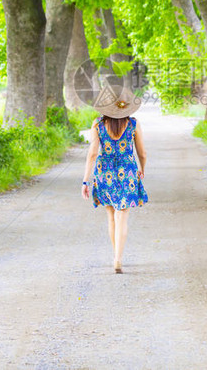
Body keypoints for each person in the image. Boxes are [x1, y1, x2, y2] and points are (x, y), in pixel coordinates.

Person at [81, 87, 148, 273]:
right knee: (122, 216)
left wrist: (86, 181)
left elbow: (92, 154)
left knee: (111, 216)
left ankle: (115, 256)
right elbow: (142, 153)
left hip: (105, 173)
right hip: (127, 172)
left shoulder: (98, 125)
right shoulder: (133, 124)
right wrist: (142, 169)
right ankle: (118, 258)